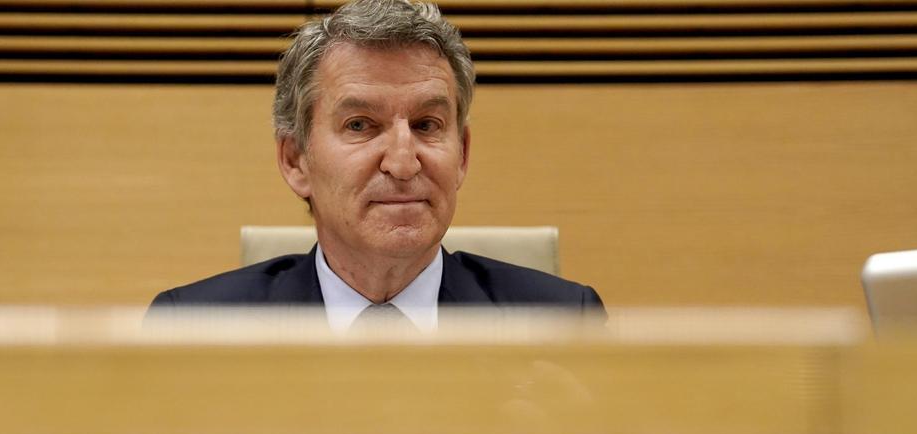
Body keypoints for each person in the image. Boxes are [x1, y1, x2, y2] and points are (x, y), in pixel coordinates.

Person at [150, 0, 604, 332]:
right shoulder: (195, 330)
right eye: (361, 125)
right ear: (295, 160)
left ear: (462, 155)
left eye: (427, 124)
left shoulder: (562, 325)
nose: (404, 163)